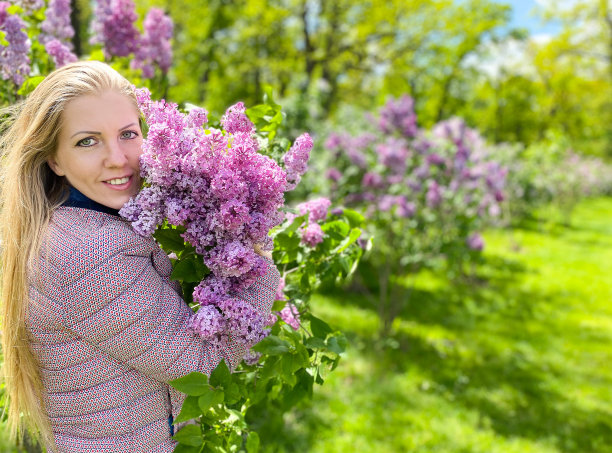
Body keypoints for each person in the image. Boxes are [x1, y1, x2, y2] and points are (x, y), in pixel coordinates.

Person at [0, 61, 280, 452]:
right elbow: (201, 364)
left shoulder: (89, 224)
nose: (118, 158)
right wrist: (254, 259)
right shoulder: (91, 253)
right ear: (54, 160)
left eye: (128, 134)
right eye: (87, 141)